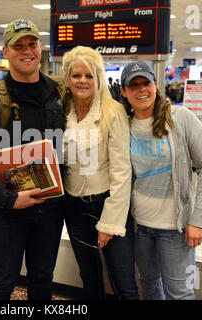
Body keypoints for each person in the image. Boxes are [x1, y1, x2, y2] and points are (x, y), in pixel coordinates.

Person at [0, 18, 65, 300]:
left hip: (50, 210)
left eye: (32, 43)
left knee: (43, 279)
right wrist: (9, 199)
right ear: (6, 52)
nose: (27, 50)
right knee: (1, 282)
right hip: (8, 213)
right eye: (18, 45)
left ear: (40, 48)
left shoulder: (58, 94)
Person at [120, 61, 202, 300]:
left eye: (146, 83)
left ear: (156, 85)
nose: (142, 90)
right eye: (134, 85)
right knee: (149, 285)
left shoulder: (180, 118)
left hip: (176, 228)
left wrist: (198, 219)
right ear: (123, 92)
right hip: (139, 225)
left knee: (179, 293)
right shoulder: (125, 125)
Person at [61, 46, 139, 300]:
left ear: (98, 78)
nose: (82, 81)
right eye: (76, 75)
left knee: (123, 282)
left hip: (108, 204)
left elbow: (122, 171)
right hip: (73, 207)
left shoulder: (113, 111)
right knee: (89, 277)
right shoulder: (60, 111)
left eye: (89, 75)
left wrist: (109, 222)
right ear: (67, 79)